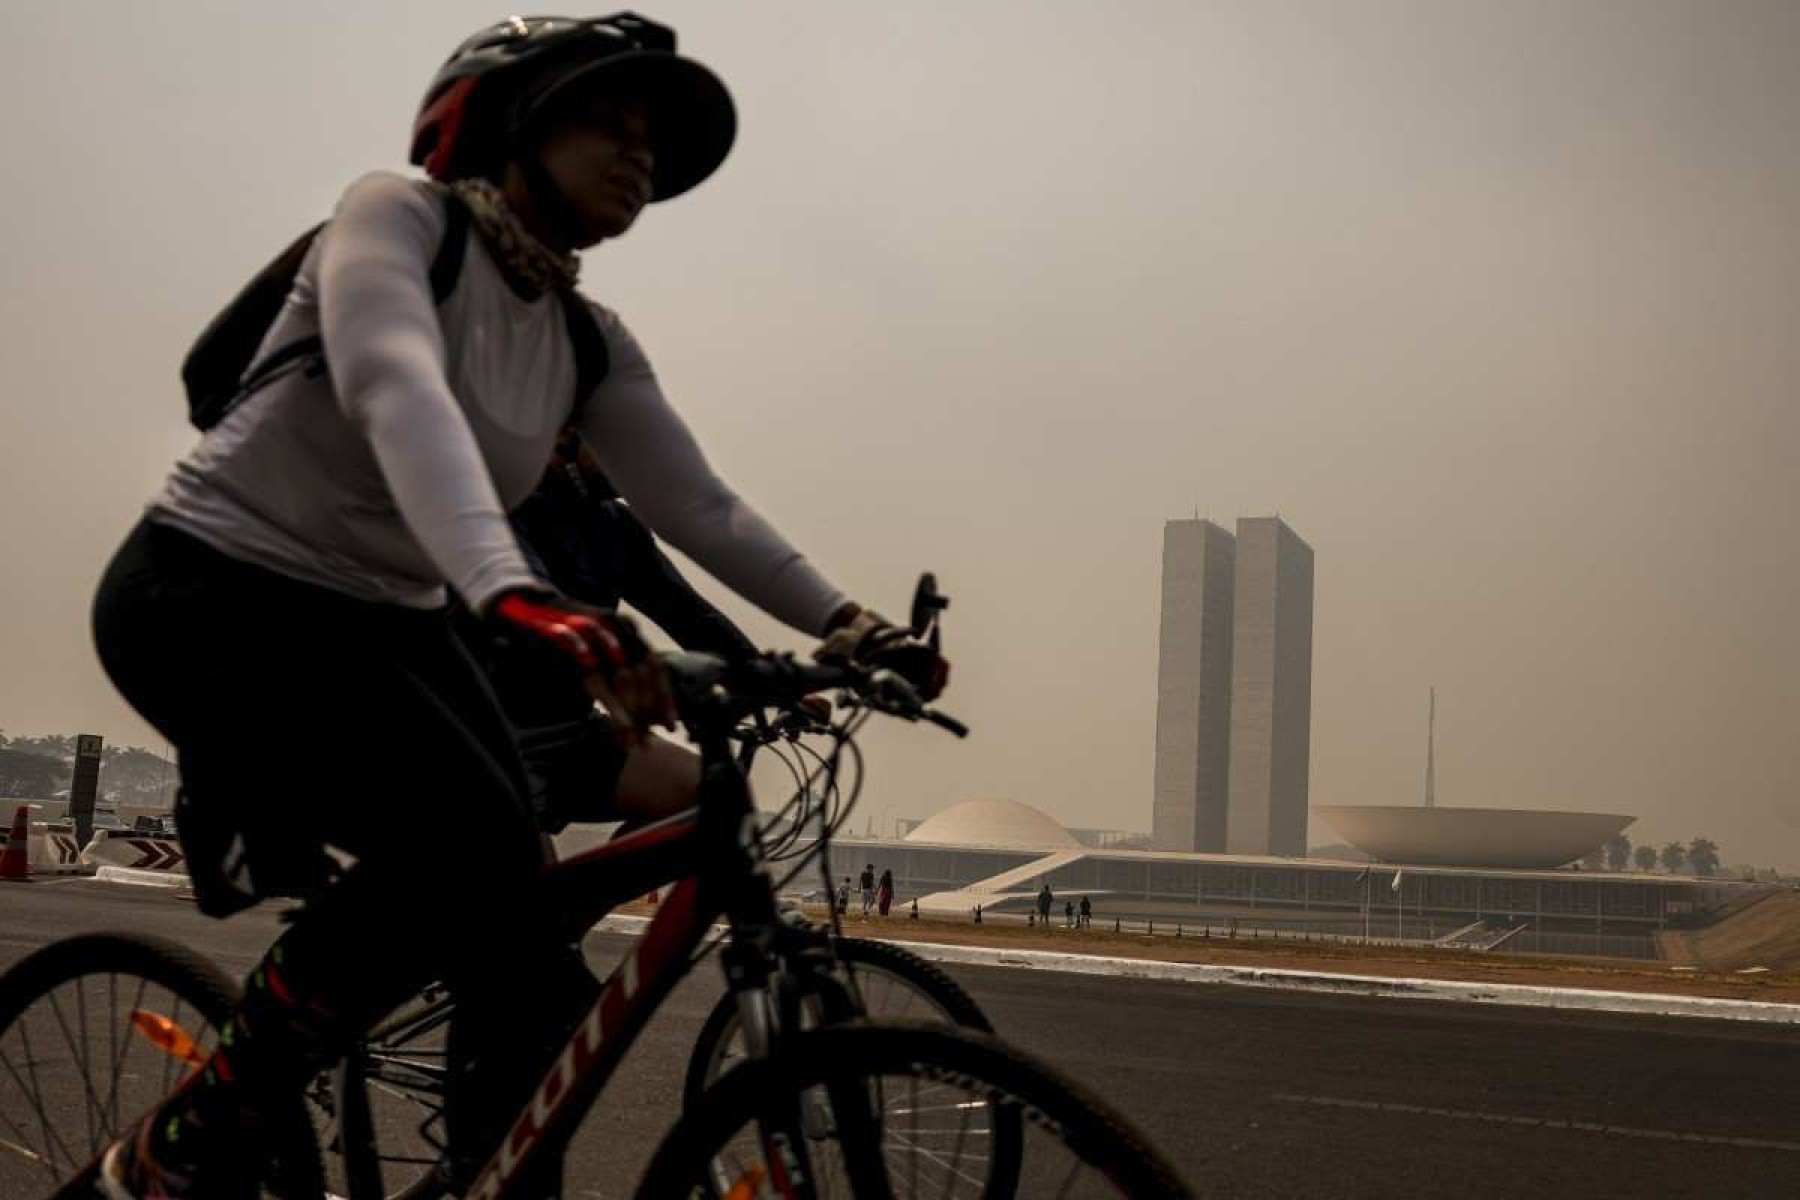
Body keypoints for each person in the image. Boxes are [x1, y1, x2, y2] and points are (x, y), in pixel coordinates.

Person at [87, 15, 944, 1198]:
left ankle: (497, 1181)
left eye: (656, 140)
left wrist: (851, 625)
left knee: (531, 956)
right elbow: (399, 388)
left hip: (390, 624)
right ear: (499, 125)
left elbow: (697, 504)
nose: (641, 155)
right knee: (460, 853)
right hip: (213, 593)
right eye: (610, 120)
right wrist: (520, 596)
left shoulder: (588, 340)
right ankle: (193, 1136)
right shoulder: (396, 220)